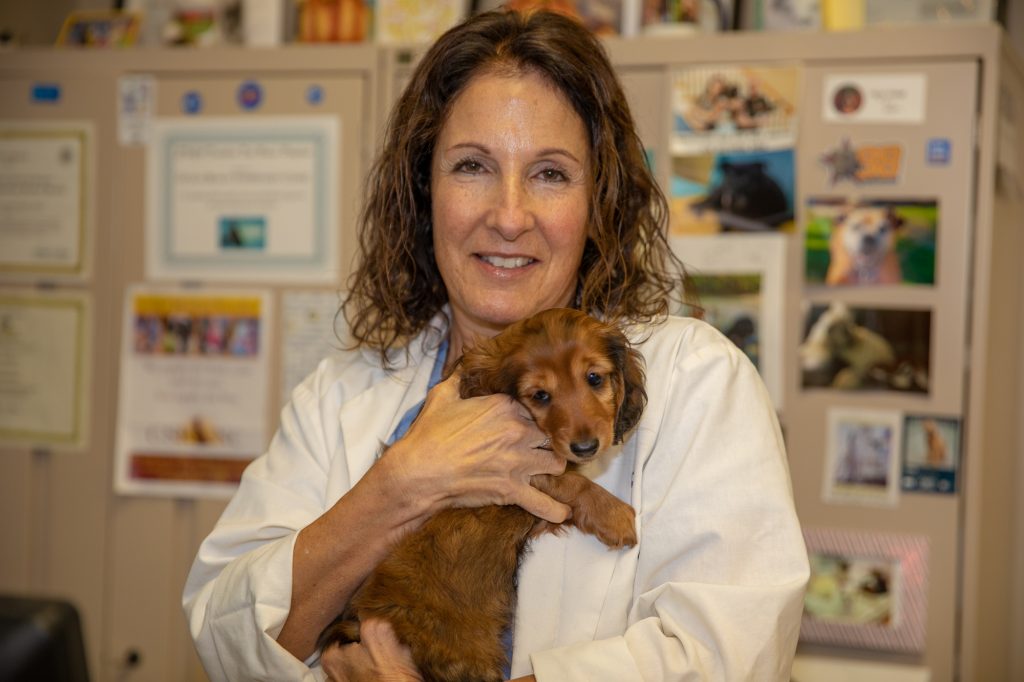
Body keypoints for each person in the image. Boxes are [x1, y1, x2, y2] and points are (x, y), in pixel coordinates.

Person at [182, 9, 809, 681]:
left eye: (550, 174)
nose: (509, 217)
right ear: (425, 190)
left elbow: (725, 656)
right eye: (473, 166)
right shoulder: (342, 396)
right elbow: (226, 635)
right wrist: (399, 487)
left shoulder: (699, 382)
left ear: (599, 201)